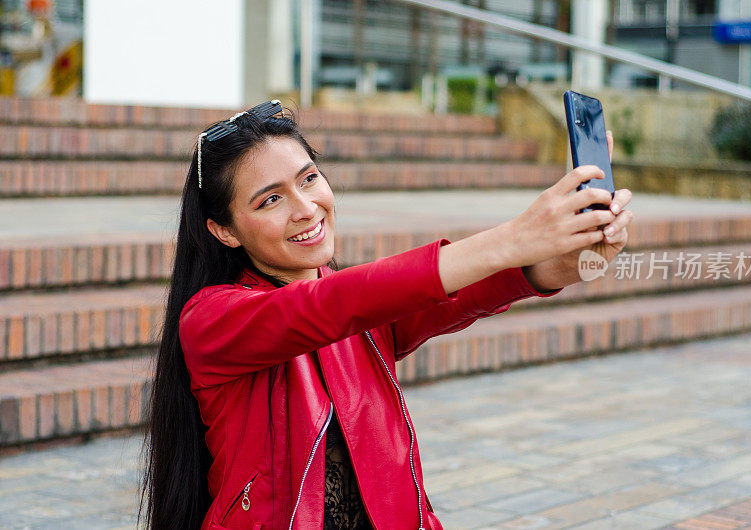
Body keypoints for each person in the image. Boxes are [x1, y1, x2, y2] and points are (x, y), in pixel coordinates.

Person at [138, 100, 633, 530]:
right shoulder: (211, 320)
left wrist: (572, 258)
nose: (306, 208)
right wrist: (514, 237)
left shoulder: (360, 313)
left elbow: (467, 293)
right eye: (271, 199)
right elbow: (330, 307)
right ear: (224, 231)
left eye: (309, 178)